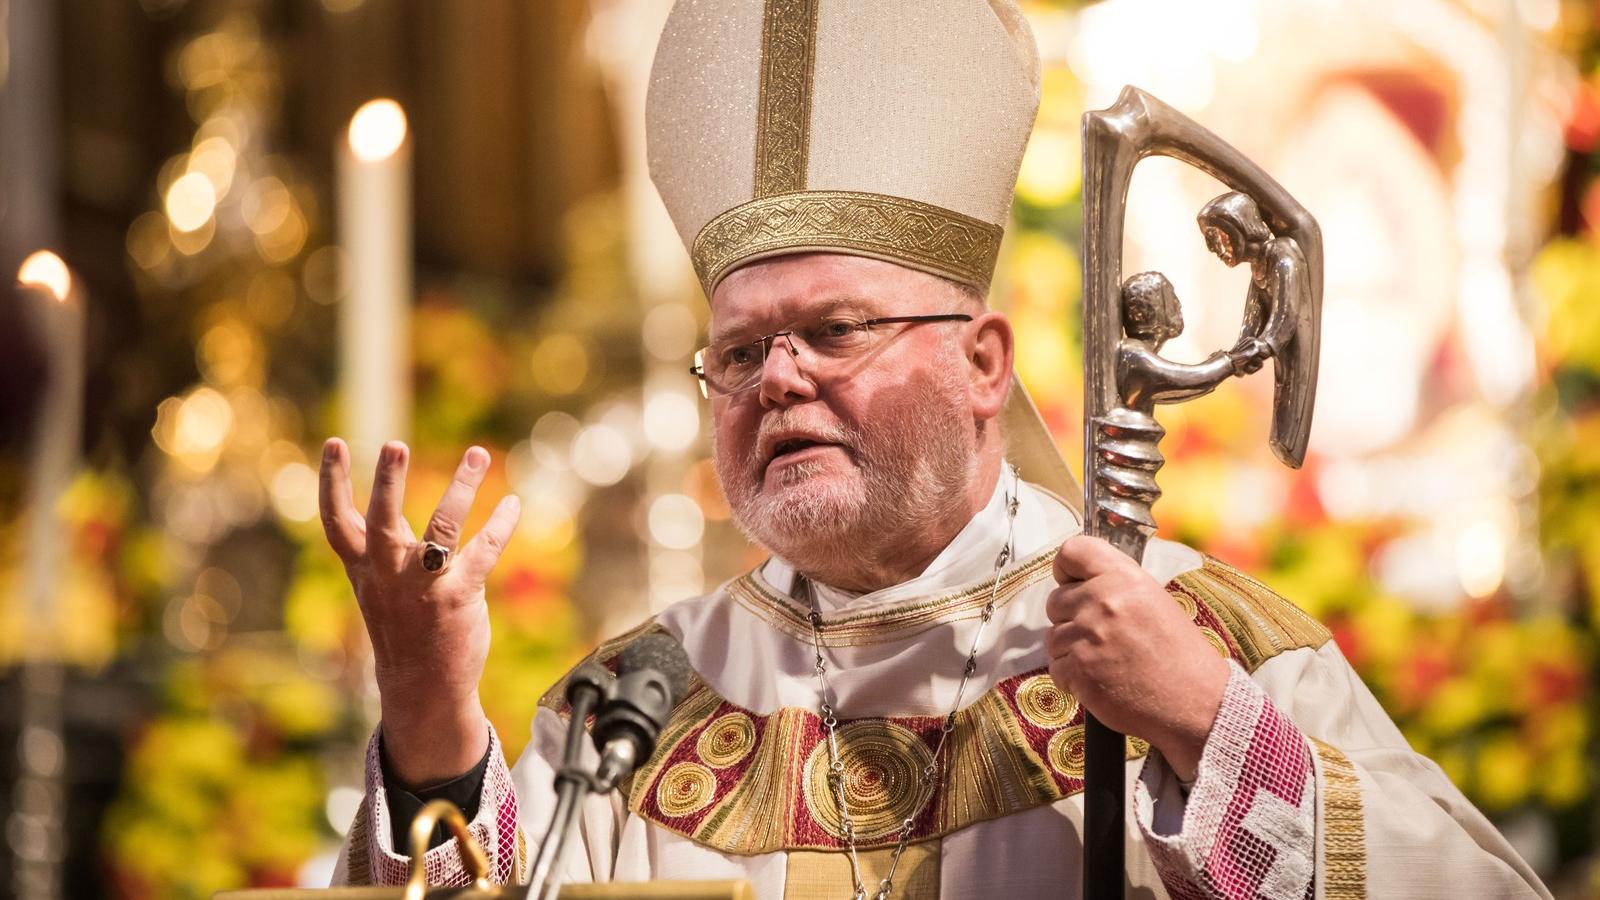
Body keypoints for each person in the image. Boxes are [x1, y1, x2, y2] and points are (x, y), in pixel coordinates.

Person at [322, 1, 1551, 897]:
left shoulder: (1193, 634)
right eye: (739, 354)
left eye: (834, 330)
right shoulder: (638, 707)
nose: (778, 376)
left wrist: (1201, 723)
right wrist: (429, 708)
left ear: (983, 364)